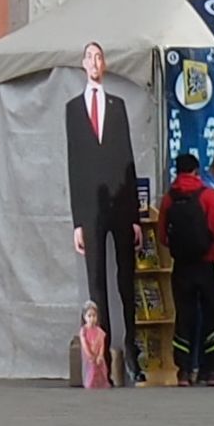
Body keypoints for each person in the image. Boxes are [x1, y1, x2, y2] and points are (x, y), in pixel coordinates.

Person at [66, 41, 145, 389]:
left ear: (105, 64)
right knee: (96, 281)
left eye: (100, 57)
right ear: (83, 64)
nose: (95, 62)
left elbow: (127, 159)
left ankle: (132, 350)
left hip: (119, 204)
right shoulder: (73, 109)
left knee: (126, 279)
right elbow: (75, 165)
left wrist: (135, 217)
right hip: (91, 209)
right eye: (90, 57)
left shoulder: (117, 106)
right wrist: (77, 221)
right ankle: (102, 355)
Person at [159, 153, 214, 386]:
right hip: (209, 263)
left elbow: (162, 236)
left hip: (182, 266)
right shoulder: (208, 196)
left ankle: (183, 372)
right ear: (196, 171)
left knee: (184, 317)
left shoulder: (169, 199)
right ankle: (212, 371)